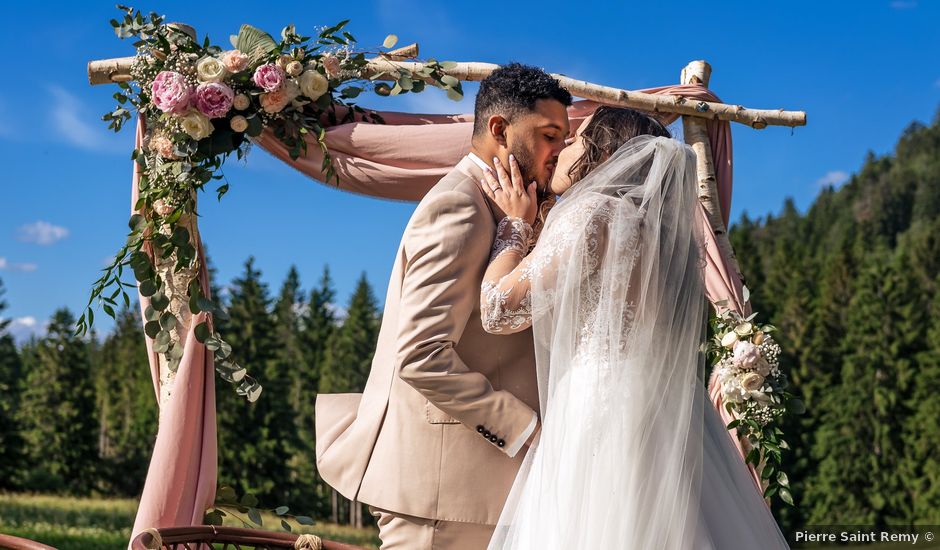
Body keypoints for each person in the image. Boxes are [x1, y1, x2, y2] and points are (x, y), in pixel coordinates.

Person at [478, 106, 791, 549]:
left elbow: (498, 311)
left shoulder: (592, 214)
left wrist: (513, 227)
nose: (564, 147)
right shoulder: (671, 239)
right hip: (671, 406)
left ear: (602, 152)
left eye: (577, 139)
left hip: (599, 408)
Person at [313, 63, 571, 549]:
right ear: (499, 129)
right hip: (441, 491)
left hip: (474, 488)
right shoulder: (460, 205)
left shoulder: (505, 206)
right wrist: (525, 428)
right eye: (548, 135)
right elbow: (421, 355)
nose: (558, 152)